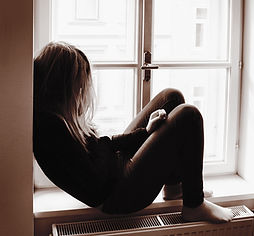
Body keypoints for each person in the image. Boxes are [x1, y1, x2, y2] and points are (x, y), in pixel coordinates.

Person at [33, 42, 233, 223]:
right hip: (118, 195)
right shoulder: (51, 130)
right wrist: (143, 141)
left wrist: (145, 134)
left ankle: (174, 187)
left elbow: (103, 147)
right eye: (80, 86)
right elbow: (97, 185)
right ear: (62, 87)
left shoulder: (57, 118)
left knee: (171, 97)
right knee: (189, 115)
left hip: (116, 172)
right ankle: (194, 205)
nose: (83, 92)